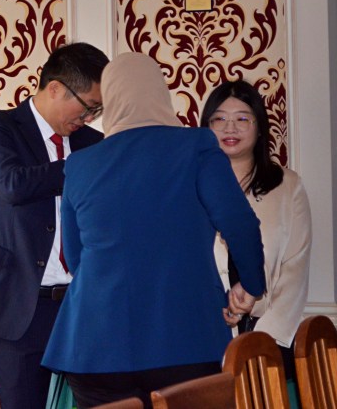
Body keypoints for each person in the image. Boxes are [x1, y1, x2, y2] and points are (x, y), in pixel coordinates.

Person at [41, 52, 266, 409]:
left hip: (95, 344)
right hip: (186, 336)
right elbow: (239, 224)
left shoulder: (80, 164)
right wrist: (250, 285)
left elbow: (75, 256)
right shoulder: (197, 146)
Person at [0, 42, 109, 409]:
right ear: (55, 88)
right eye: (87, 106)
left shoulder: (92, 143)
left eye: (97, 110)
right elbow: (12, 185)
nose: (89, 118)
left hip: (79, 306)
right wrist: (86, 167)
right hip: (17, 305)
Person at [201, 79, 311, 384]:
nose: (230, 128)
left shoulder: (287, 186)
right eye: (219, 119)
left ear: (260, 127)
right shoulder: (189, 186)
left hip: (268, 341)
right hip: (204, 340)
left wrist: (261, 341)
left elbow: (295, 269)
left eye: (242, 119)